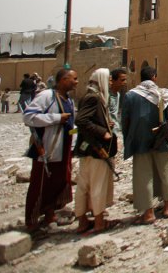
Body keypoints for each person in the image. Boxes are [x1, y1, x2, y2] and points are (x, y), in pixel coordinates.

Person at [122, 66, 168, 224]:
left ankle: (148, 213)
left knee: (143, 175)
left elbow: (125, 121)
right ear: (154, 77)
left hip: (140, 141)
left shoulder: (130, 96)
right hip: (162, 139)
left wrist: (129, 140)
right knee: (165, 173)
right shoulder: (163, 94)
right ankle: (167, 207)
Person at [23, 68, 78, 232]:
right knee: (39, 184)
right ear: (63, 80)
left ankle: (50, 213)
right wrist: (56, 118)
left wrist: (75, 138)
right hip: (48, 148)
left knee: (57, 181)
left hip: (64, 148)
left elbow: (71, 125)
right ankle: (31, 220)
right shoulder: (47, 96)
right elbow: (28, 117)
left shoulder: (69, 100)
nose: (76, 82)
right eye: (73, 79)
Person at [73, 68, 117, 234]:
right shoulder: (94, 98)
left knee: (84, 185)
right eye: (109, 79)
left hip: (87, 148)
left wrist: (106, 123)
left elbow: (88, 119)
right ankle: (99, 222)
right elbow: (81, 120)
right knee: (98, 184)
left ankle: (82, 221)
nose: (111, 83)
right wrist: (103, 132)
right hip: (96, 148)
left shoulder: (88, 96)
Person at [108, 68, 128, 137]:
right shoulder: (107, 95)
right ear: (113, 80)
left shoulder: (118, 95)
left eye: (125, 80)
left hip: (116, 130)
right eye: (122, 80)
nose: (125, 82)